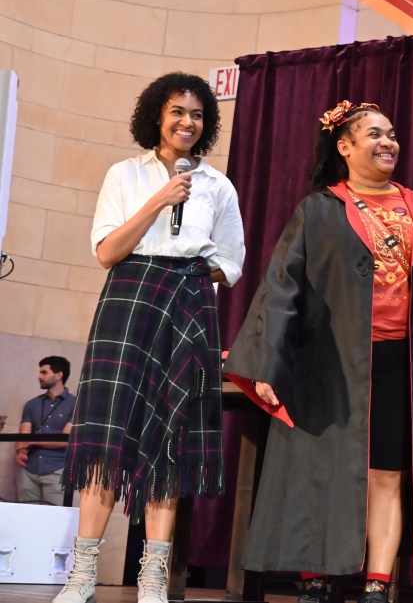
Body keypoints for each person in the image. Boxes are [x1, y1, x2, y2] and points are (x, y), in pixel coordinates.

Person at [222, 101, 413, 603]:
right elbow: (282, 289)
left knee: (388, 474)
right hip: (329, 363)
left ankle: (376, 584)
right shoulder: (319, 210)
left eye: (392, 134)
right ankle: (316, 579)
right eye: (375, 135)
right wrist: (266, 363)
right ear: (344, 147)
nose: (388, 142)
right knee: (321, 472)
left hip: (401, 365)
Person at [55, 72, 246, 603]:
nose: (188, 122)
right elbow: (107, 252)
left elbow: (231, 262)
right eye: (177, 112)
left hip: (188, 302)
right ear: (157, 117)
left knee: (173, 437)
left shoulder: (218, 186)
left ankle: (154, 575)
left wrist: (190, 275)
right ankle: (83, 572)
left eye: (198, 115)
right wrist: (159, 200)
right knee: (106, 436)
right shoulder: (124, 174)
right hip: (128, 297)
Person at [15, 356, 76, 505]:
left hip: (57, 469)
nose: (39, 376)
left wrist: (33, 441)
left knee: (55, 517)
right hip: (29, 470)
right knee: (25, 515)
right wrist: (22, 452)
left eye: (44, 372)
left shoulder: (76, 404)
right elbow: (24, 435)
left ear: (59, 375)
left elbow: (67, 439)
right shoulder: (31, 404)